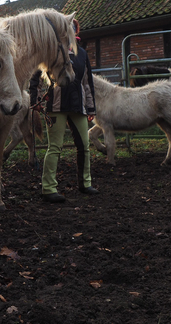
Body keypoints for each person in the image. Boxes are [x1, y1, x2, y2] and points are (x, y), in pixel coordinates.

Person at [29, 18, 98, 203]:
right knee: (55, 147)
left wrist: (91, 107)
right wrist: (34, 100)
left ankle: (85, 183)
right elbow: (34, 78)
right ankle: (48, 188)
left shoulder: (82, 54)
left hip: (78, 106)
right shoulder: (51, 52)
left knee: (84, 146)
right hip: (56, 105)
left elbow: (87, 82)